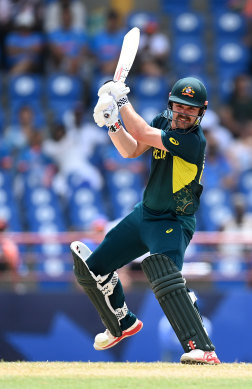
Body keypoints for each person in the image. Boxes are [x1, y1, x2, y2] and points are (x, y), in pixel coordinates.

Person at [71, 76, 220, 364]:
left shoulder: (193, 141)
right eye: (179, 106)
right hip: (146, 213)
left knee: (168, 282)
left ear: (201, 113)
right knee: (93, 270)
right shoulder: (163, 121)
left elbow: (139, 129)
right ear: (170, 103)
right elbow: (130, 149)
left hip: (173, 222)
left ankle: (202, 348)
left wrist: (122, 100)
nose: (183, 114)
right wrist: (113, 123)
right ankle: (121, 322)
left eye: (190, 110)